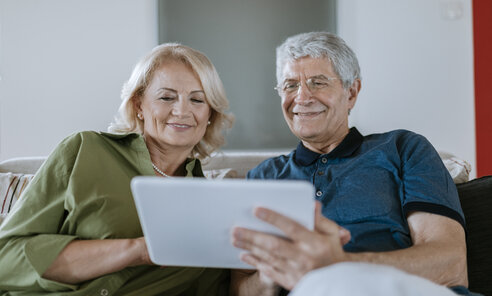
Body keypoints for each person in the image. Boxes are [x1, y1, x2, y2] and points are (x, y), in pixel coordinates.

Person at [230, 32, 477, 295]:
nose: (302, 97)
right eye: (290, 85)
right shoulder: (263, 176)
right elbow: (239, 289)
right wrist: (270, 276)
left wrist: (338, 265)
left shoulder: (403, 148)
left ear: (351, 92)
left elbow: (451, 266)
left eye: (318, 82)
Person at [0, 43, 236, 295]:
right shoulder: (85, 150)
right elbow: (7, 260)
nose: (181, 111)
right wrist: (138, 250)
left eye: (197, 99)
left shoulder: (214, 206)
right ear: (139, 106)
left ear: (210, 113)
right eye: (167, 97)